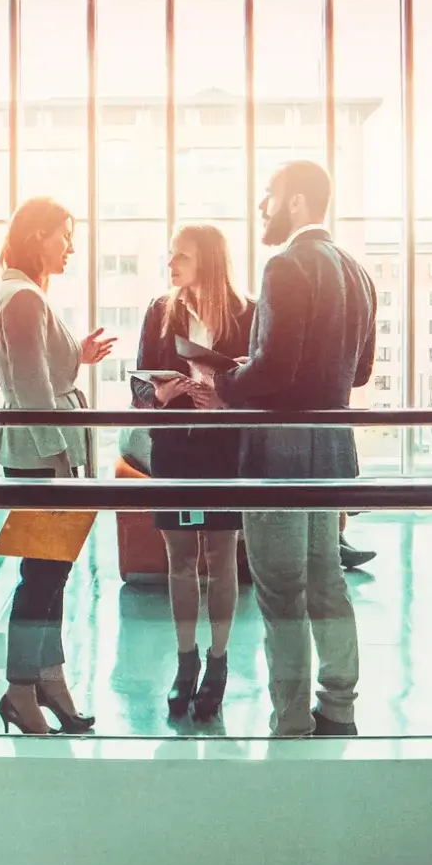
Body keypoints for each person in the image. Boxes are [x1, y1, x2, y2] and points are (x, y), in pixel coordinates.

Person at [216, 160, 377, 737]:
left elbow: (276, 367)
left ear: (298, 203)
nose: (263, 207)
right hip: (330, 448)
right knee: (326, 577)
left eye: (271, 196)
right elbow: (359, 374)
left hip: (279, 452)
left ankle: (289, 719)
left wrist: (227, 381)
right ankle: (340, 707)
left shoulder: (285, 265)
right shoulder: (357, 272)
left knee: (280, 588)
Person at [0, 197, 115, 735]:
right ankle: (21, 686)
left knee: (50, 576)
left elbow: (37, 371)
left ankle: (47, 677)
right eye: (63, 235)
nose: (69, 246)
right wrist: (63, 462)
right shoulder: (22, 299)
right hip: (44, 459)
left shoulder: (24, 296)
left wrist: (75, 357)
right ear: (37, 234)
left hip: (44, 454)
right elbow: (33, 389)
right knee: (40, 579)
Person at [132, 225, 254, 723]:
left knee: (222, 557)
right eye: (170, 255)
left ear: (208, 259)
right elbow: (138, 389)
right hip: (175, 451)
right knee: (179, 558)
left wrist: (226, 393)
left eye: (180, 256)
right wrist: (160, 394)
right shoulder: (161, 313)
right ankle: (186, 663)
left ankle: (218, 664)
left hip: (224, 451)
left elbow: (261, 385)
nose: (171, 264)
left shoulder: (249, 313)